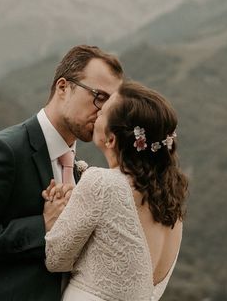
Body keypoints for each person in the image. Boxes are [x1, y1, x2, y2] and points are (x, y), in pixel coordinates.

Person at [0, 45, 124, 301]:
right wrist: (43, 225)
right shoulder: (4, 151)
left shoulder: (81, 171)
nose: (104, 111)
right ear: (63, 87)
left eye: (111, 103)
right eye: (98, 96)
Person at [43, 80, 188, 301]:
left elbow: (55, 260)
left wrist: (53, 218)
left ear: (111, 139)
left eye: (104, 111)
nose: (97, 112)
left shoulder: (102, 183)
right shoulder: (172, 207)